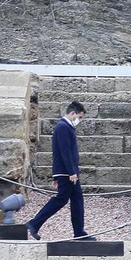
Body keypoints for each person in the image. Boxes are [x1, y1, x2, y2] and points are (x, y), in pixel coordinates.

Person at [26, 101, 86, 241]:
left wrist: (58, 175)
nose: (80, 120)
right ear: (72, 113)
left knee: (77, 200)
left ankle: (79, 232)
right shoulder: (63, 127)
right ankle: (34, 223)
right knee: (61, 199)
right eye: (80, 117)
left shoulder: (65, 127)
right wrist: (71, 172)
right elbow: (64, 152)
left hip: (66, 172)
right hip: (67, 172)